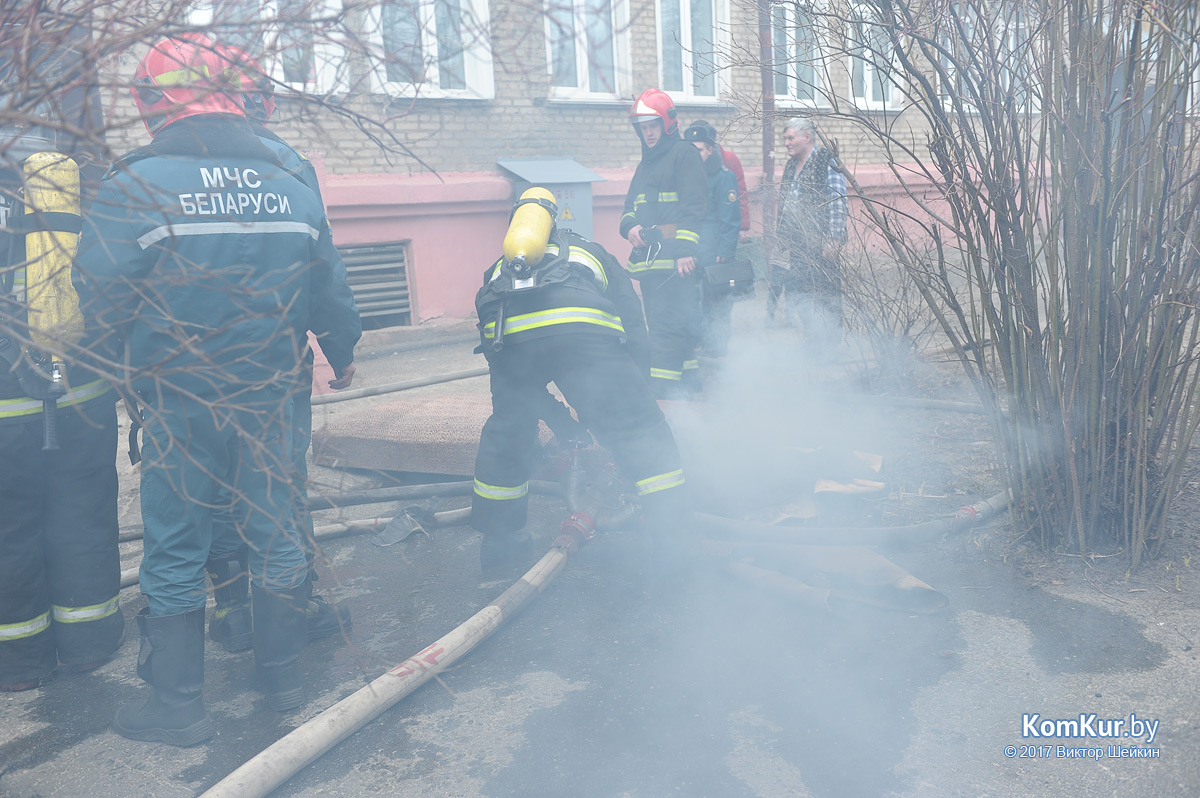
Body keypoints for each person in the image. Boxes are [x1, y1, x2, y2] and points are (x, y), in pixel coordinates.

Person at [74, 35, 361, 746]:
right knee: (273, 528)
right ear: (241, 95)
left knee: (175, 544)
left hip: (179, 396)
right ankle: (283, 678)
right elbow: (329, 287)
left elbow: (99, 290)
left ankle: (177, 707)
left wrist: (115, 366)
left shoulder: (133, 186)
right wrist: (341, 350)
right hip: (273, 392)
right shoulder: (292, 183)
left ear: (152, 101)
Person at [201, 46, 352, 654]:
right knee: (279, 484)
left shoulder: (165, 166)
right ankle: (294, 609)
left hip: (194, 370)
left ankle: (233, 611)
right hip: (274, 364)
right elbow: (322, 266)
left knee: (212, 487)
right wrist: (341, 346)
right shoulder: (287, 166)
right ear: (257, 103)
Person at [472, 187, 687, 574]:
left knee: (508, 431)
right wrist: (637, 392)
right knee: (640, 428)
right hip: (583, 335)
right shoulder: (588, 251)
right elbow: (631, 320)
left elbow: (518, 383)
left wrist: (562, 424)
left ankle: (500, 546)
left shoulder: (497, 270)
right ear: (555, 221)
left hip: (510, 341)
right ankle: (674, 543)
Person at [0, 136, 123, 693]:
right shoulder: (79, 184)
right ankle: (89, 645)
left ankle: (19, 663)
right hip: (80, 391)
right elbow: (111, 280)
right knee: (83, 516)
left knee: (8, 529)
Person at [619, 88, 707, 399]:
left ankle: (663, 396)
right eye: (643, 128)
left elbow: (695, 206)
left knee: (667, 329)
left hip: (674, 263)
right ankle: (691, 391)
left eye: (652, 125)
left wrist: (685, 252)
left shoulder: (684, 154)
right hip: (649, 265)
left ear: (667, 123)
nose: (648, 133)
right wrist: (630, 227)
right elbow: (629, 207)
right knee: (662, 324)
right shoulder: (645, 165)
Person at [767, 117, 848, 331]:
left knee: (825, 295)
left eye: (790, 138)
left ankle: (829, 343)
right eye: (785, 138)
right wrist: (781, 240)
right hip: (797, 246)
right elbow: (784, 204)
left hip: (821, 245)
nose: (786, 142)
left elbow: (838, 199)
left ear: (807, 137)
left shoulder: (825, 159)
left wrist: (834, 239)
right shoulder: (791, 164)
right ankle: (813, 341)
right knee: (800, 294)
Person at [683, 122, 741, 358]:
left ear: (710, 149)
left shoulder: (723, 178)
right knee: (694, 307)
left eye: (698, 149)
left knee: (717, 309)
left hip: (716, 256)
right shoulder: (686, 176)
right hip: (693, 254)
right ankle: (699, 350)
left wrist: (724, 254)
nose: (694, 155)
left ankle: (717, 354)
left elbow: (730, 221)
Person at [690, 119, 751, 243]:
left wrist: (743, 226)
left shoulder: (728, 159)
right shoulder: (688, 161)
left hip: (722, 222)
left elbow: (741, 192)